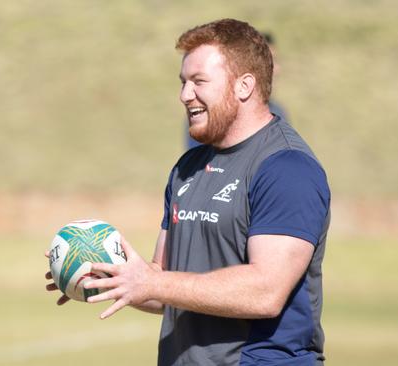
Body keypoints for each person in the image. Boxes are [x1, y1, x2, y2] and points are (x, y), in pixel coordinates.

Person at [46, 18, 331, 366]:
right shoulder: (187, 169)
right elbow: (162, 285)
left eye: (199, 82)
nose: (185, 95)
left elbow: (265, 291)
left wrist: (152, 284)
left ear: (244, 86)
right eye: (183, 82)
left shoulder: (286, 168)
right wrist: (107, 275)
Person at [186, 31, 289, 149]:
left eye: (275, 61)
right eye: (269, 62)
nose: (277, 69)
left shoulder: (278, 112)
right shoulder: (209, 113)